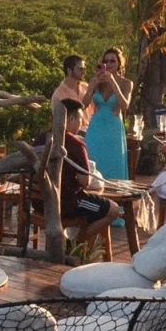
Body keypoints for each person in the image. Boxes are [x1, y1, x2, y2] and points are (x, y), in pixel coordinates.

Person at [45, 98, 120, 250]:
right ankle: (73, 246)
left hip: (40, 201)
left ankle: (74, 244)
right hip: (66, 203)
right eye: (79, 119)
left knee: (93, 206)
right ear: (71, 119)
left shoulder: (41, 138)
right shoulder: (76, 144)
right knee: (113, 210)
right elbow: (84, 181)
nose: (81, 123)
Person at [84, 46, 132, 180]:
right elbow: (83, 105)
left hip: (113, 128)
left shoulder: (126, 83)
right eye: (106, 61)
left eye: (112, 61)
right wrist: (91, 87)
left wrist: (112, 82)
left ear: (119, 63)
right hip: (96, 127)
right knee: (93, 159)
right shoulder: (97, 81)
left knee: (113, 163)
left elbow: (124, 105)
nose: (109, 64)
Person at [51, 55, 91, 121]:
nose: (84, 72)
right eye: (80, 69)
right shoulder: (59, 94)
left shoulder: (86, 87)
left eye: (84, 69)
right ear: (69, 70)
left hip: (91, 129)